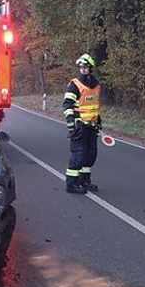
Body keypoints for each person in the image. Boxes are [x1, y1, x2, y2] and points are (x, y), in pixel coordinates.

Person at [62, 53, 102, 194]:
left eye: (85, 67)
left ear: (91, 68)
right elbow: (67, 105)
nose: (83, 70)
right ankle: (71, 184)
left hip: (92, 126)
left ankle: (84, 181)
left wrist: (98, 120)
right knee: (78, 155)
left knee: (90, 155)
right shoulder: (75, 85)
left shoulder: (96, 85)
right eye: (81, 67)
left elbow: (94, 104)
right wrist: (71, 124)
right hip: (79, 126)